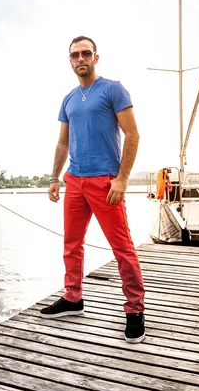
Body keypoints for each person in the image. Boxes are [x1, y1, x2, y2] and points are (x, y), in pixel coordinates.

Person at [40, 35, 146, 344]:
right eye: (75, 54)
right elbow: (62, 142)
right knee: (72, 245)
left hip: (105, 181)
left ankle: (135, 310)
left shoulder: (113, 89)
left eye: (86, 52)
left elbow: (133, 134)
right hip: (74, 180)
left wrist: (123, 178)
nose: (81, 57)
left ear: (96, 58)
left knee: (122, 248)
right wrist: (54, 177)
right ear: (70, 61)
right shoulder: (69, 98)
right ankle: (73, 298)